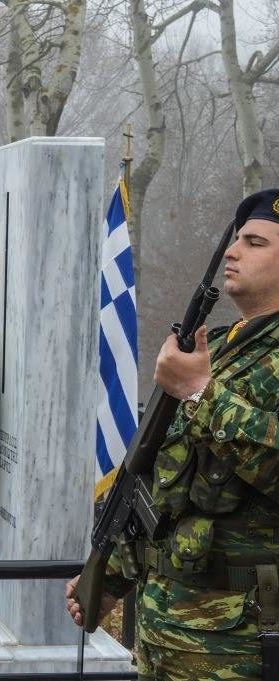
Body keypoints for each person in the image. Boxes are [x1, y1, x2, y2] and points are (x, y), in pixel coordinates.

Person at [66, 189, 279, 681]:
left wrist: (201, 394)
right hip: (168, 631)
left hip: (243, 642)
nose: (232, 251)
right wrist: (112, 577)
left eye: (254, 242)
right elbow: (168, 485)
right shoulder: (225, 346)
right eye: (235, 239)